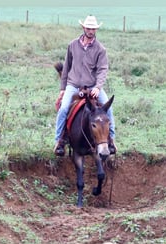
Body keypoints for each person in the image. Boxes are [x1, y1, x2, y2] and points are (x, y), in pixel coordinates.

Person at [54, 15, 117, 156]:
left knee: (109, 110)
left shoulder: (101, 49)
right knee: (63, 109)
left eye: (93, 28)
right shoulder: (72, 45)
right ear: (83, 27)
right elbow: (66, 68)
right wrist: (63, 89)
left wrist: (97, 87)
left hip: (92, 86)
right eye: (88, 28)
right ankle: (59, 141)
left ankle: (111, 140)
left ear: (96, 29)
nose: (91, 30)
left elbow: (102, 70)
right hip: (73, 85)